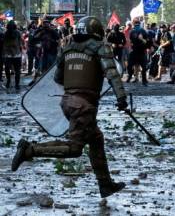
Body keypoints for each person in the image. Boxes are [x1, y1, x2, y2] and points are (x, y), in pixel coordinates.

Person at [11, 16, 128, 198]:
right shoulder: (100, 47)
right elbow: (112, 74)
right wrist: (122, 98)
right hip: (84, 106)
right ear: (97, 32)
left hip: (67, 102)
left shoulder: (67, 49)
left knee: (96, 139)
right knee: (74, 149)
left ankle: (105, 185)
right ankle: (29, 150)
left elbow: (58, 77)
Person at [126, 19, 148, 86]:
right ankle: (142, 80)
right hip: (138, 51)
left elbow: (146, 42)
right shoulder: (133, 31)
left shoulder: (141, 31)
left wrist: (141, 39)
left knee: (131, 65)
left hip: (138, 51)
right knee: (141, 67)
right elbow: (131, 41)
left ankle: (133, 76)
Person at [2, 20, 22, 89]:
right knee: (15, 70)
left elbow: (20, 42)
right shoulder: (6, 34)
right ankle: (13, 83)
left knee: (14, 70)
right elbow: (20, 43)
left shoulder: (15, 33)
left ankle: (13, 83)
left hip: (12, 54)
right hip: (13, 54)